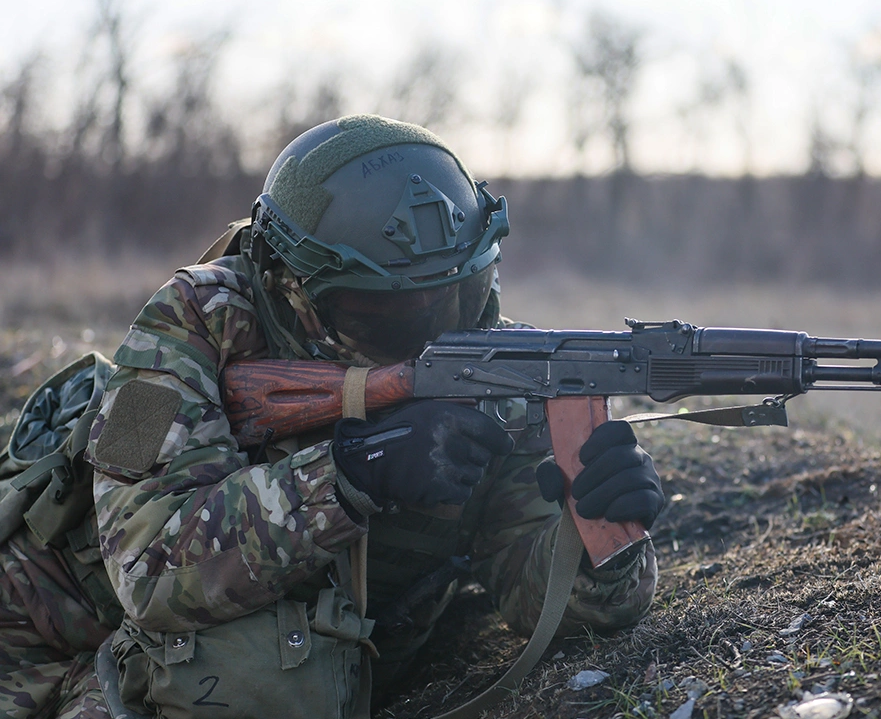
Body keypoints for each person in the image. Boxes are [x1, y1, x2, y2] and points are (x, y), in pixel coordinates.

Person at [77, 114, 663, 718]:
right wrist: (352, 473)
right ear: (296, 286)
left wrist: (600, 541)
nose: (435, 331)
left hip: (354, 662)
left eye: (461, 293)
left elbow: (528, 586)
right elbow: (143, 565)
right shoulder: (183, 328)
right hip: (93, 661)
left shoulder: (495, 362)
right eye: (396, 312)